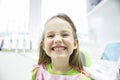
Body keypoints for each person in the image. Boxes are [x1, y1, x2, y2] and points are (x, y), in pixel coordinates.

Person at [32, 13, 91, 80]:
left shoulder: (83, 78)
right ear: (43, 45)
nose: (58, 40)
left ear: (75, 44)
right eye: (51, 36)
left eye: (64, 34)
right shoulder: (37, 73)